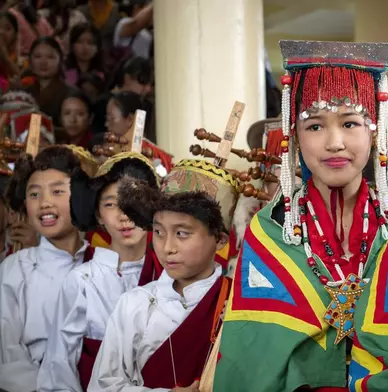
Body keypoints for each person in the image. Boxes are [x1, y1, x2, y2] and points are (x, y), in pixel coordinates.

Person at [212, 40, 388, 391]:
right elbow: (251, 357)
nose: (334, 142)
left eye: (351, 123)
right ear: (294, 136)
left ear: (374, 131)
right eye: (315, 126)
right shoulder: (271, 231)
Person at [88, 159, 234, 390]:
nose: (167, 247)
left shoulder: (237, 303)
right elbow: (102, 386)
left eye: (182, 233)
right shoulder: (135, 304)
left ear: (219, 240)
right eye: (158, 232)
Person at [38, 152, 161, 392]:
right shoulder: (82, 281)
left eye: (135, 201)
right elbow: (59, 362)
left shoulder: (169, 277)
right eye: (111, 204)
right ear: (98, 215)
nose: (125, 215)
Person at [0, 146, 93, 392]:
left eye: (58, 191)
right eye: (34, 194)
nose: (45, 203)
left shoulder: (100, 263)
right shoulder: (15, 269)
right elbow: (7, 350)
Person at [92, 56, 152, 135]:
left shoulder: (147, 106)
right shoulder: (102, 104)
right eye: (143, 82)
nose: (148, 89)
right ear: (127, 78)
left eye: (151, 84)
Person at [23, 36, 71, 127]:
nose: (43, 62)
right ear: (30, 61)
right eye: (38, 56)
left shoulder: (69, 94)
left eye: (50, 57)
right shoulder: (25, 94)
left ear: (60, 60)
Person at [0, 11, 21, 80]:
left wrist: (5, 57)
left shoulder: (19, 61)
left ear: (15, 35)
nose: (1, 32)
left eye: (8, 28)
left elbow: (21, 80)